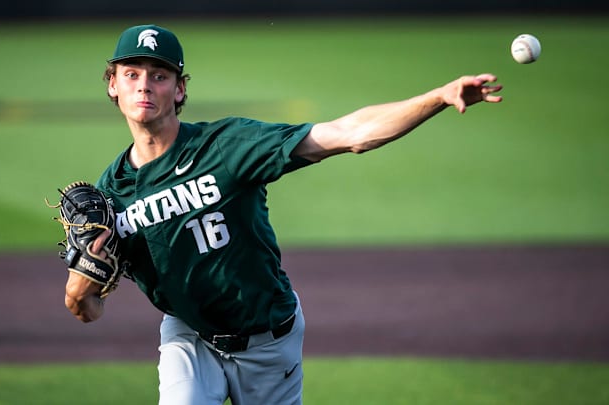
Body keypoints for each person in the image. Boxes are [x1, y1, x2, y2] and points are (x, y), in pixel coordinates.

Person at [63, 24, 503, 405]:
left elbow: (348, 135)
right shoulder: (110, 196)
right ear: (112, 85)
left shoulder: (227, 147)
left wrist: (439, 97)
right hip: (189, 338)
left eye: (159, 76)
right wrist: (81, 292)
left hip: (268, 338)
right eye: (132, 74)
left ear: (179, 90)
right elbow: (88, 310)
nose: (144, 86)